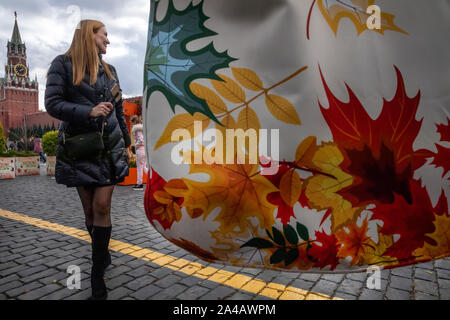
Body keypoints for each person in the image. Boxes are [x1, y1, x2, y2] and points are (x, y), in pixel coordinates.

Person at [45, 19, 131, 300]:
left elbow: (119, 111)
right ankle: (101, 254)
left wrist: (127, 145)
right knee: (89, 213)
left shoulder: (111, 70)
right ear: (89, 35)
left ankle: (96, 276)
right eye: (104, 34)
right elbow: (52, 103)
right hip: (80, 148)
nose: (108, 40)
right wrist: (88, 111)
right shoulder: (63, 64)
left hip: (108, 148)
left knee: (102, 205)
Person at [130, 116, 148, 190]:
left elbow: (141, 140)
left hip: (140, 150)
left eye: (131, 122)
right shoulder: (141, 128)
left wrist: (135, 146)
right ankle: (154, 178)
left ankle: (139, 184)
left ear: (134, 121)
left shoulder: (136, 129)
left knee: (140, 168)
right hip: (144, 150)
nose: (130, 124)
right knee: (143, 167)